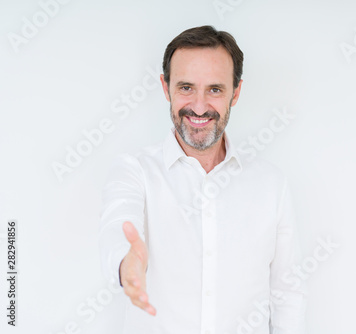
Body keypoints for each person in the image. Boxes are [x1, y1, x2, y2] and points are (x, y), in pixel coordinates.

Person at [99, 25, 306, 334]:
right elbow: (118, 225)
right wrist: (127, 263)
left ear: (235, 93)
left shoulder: (271, 185)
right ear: (165, 87)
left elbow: (287, 294)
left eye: (215, 89)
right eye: (186, 87)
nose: (198, 106)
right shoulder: (134, 171)